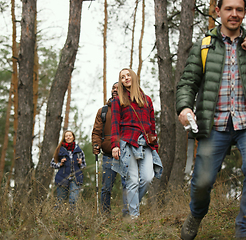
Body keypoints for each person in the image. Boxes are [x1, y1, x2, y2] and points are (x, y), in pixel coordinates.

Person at [176, 0, 246, 239]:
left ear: (244, 12)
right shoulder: (204, 45)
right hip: (215, 124)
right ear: (217, 11)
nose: (234, 14)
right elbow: (187, 83)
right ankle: (196, 214)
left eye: (239, 9)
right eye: (229, 9)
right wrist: (184, 107)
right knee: (202, 182)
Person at [111, 68, 163, 220]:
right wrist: (115, 145)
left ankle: (131, 207)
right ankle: (134, 218)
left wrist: (155, 147)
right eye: (122, 77)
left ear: (133, 77)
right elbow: (115, 124)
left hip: (145, 143)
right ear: (120, 81)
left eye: (128, 75)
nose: (126, 78)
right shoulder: (117, 100)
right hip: (127, 142)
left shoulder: (146, 100)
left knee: (148, 177)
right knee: (132, 180)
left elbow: (152, 126)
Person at [92, 82, 128, 216]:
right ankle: (104, 216)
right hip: (108, 154)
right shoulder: (103, 111)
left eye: (118, 89)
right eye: (113, 88)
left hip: (126, 154)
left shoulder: (128, 109)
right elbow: (96, 132)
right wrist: (96, 145)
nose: (114, 90)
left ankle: (127, 216)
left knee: (127, 186)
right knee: (106, 188)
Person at [50, 130, 86, 208]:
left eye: (70, 135)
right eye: (66, 136)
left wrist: (80, 163)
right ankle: (58, 218)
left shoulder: (79, 151)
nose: (68, 137)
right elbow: (52, 164)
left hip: (75, 178)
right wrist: (60, 164)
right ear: (64, 138)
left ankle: (71, 218)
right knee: (61, 201)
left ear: (73, 137)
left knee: (73, 201)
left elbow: (84, 166)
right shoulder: (59, 150)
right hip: (62, 178)